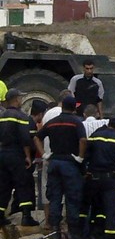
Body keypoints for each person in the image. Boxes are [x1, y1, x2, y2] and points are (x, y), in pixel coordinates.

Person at [34, 96, 86, 239]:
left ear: (62, 106)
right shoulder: (76, 122)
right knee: (72, 198)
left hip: (54, 162)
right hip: (70, 164)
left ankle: (55, 232)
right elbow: (83, 140)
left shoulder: (51, 122)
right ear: (74, 108)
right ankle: (73, 233)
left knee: (55, 197)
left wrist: (45, 154)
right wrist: (80, 157)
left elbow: (37, 138)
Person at [0, 89, 37, 227]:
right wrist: (27, 157)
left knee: (3, 185)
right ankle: (26, 216)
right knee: (23, 183)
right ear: (16, 100)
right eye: (20, 98)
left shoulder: (2, 115)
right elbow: (25, 139)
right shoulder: (21, 116)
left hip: (3, 153)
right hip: (16, 154)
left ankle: (0, 216)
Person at [39, 90, 73, 229]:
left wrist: (43, 154)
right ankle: (61, 221)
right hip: (64, 157)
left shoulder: (48, 113)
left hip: (48, 156)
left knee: (46, 188)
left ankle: (48, 221)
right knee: (64, 189)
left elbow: (39, 134)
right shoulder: (68, 115)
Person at [11, 99, 47, 227]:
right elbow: (30, 143)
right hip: (26, 162)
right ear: (40, 114)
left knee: (19, 188)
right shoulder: (31, 124)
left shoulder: (25, 121)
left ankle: (16, 210)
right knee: (26, 188)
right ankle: (25, 215)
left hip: (18, 160)